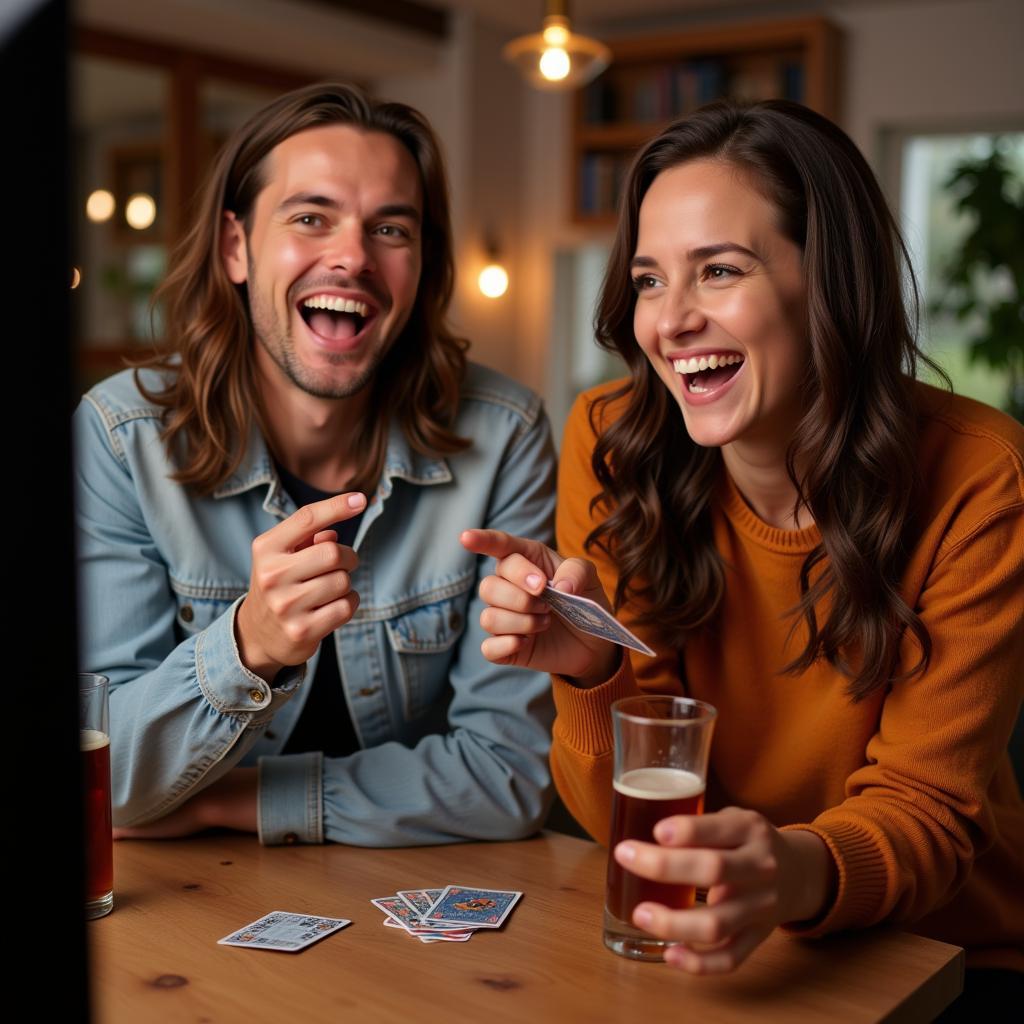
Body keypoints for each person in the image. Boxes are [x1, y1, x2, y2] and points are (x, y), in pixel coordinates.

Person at [462, 99, 1023, 997]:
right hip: (697, 933)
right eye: (649, 281)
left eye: (718, 270)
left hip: (939, 957)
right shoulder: (611, 441)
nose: (669, 321)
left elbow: (926, 811)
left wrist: (784, 873)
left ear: (831, 281)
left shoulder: (979, 476)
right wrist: (594, 672)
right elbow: (626, 830)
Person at [74, 83, 557, 847]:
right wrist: (249, 647)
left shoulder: (505, 435)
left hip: (407, 908)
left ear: (422, 264)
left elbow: (510, 776)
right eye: (310, 218)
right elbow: (105, 775)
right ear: (237, 248)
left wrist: (223, 803)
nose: (353, 257)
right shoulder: (119, 437)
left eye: (391, 229)